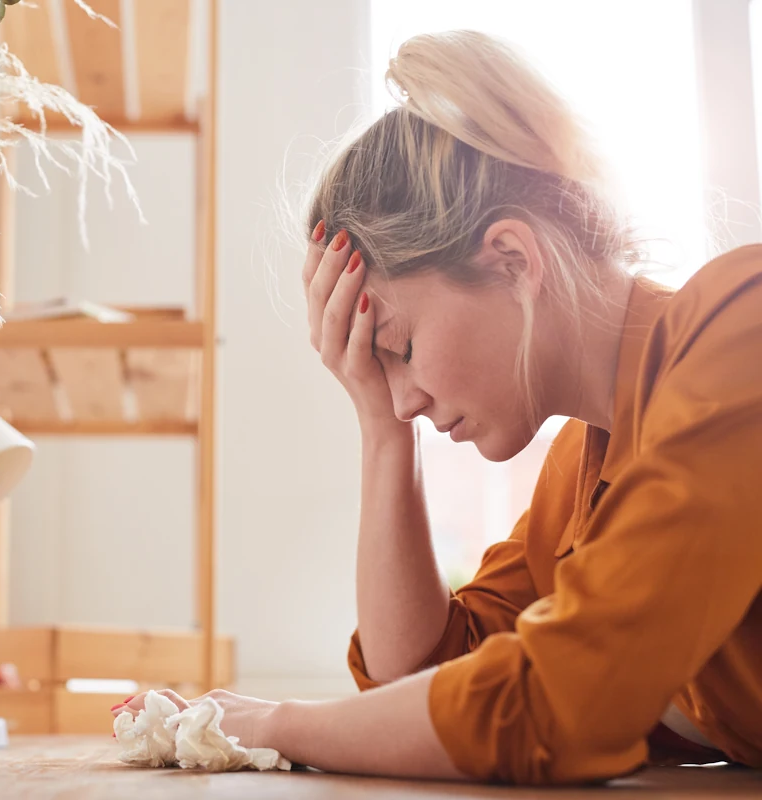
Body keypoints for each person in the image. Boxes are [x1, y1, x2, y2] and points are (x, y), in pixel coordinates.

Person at [111, 29, 762, 785]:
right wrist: (380, 427)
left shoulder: (743, 330)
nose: (406, 399)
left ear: (512, 260)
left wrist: (274, 724)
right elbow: (424, 684)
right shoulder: (584, 476)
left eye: (403, 347)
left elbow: (550, 705)